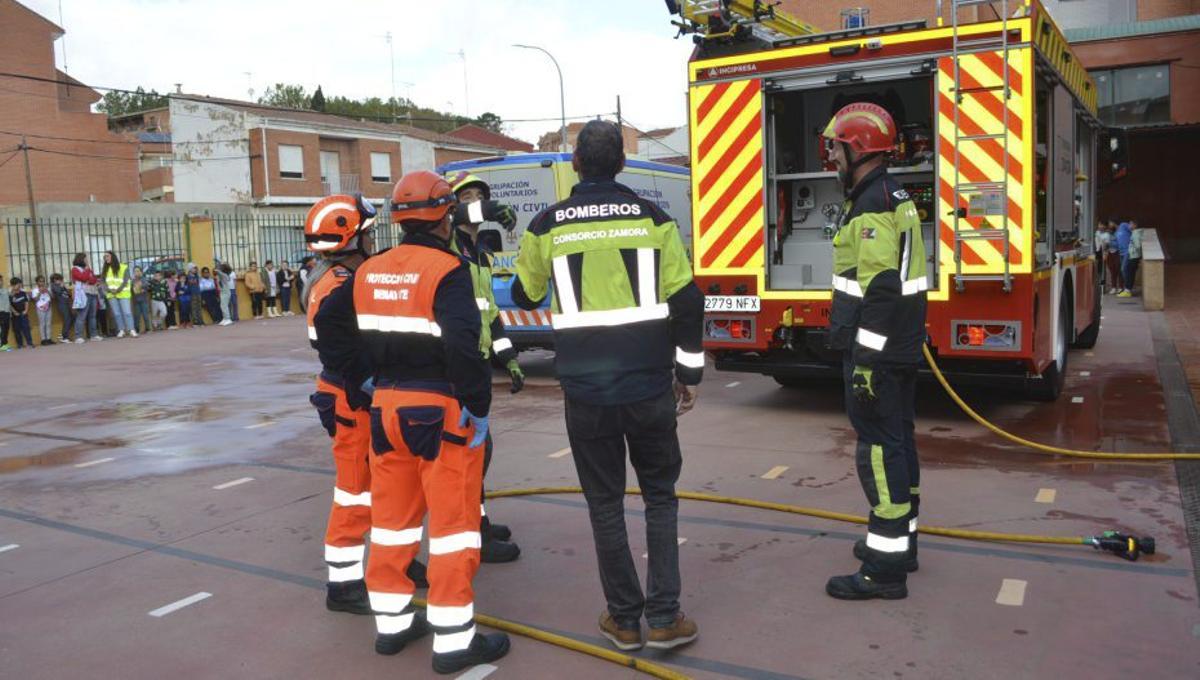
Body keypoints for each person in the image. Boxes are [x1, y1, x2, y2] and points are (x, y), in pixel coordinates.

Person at [512, 120, 704, 651]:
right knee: (661, 498)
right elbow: (687, 300)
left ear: (576, 163)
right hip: (648, 387)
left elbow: (525, 295)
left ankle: (624, 621)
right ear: (621, 163)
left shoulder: (547, 225)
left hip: (586, 393)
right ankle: (665, 618)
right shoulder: (653, 219)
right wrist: (688, 372)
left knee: (605, 504)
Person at [319, 171, 510, 671]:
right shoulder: (447, 270)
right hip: (443, 410)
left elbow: (329, 324)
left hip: (386, 410)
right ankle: (453, 643)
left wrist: (360, 377)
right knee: (452, 530)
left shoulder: (370, 269)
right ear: (445, 217)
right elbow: (464, 347)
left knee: (393, 524)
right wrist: (480, 407)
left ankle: (393, 625)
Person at [301, 193, 430, 623]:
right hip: (351, 396)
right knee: (355, 493)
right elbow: (342, 346)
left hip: (354, 392)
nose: (374, 241)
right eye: (369, 234)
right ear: (350, 239)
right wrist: (367, 380)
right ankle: (344, 584)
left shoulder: (331, 276)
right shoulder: (339, 282)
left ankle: (395, 562)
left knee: (384, 488)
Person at [822, 103, 927, 600]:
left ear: (857, 147)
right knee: (899, 444)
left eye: (836, 147)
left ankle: (884, 573)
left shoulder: (871, 206)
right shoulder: (892, 194)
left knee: (880, 454)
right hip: (900, 348)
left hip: (879, 357)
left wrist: (865, 360)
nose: (832, 156)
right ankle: (900, 546)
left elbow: (881, 288)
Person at [446, 170, 523, 563]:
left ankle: (479, 520)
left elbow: (489, 312)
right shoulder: (448, 247)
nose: (474, 202)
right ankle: (473, 532)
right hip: (453, 367)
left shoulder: (482, 255)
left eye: (480, 195)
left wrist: (508, 358)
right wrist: (489, 206)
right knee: (472, 451)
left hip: (477, 363)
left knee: (479, 452)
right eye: (468, 196)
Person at [102, 251, 137, 338]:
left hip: (123, 293)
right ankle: (121, 330)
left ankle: (131, 329)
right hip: (111, 294)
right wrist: (109, 289)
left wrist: (118, 290)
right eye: (104, 257)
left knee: (127, 312)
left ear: (113, 257)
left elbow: (126, 280)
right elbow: (103, 281)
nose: (106, 258)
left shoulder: (123, 267)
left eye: (107, 256)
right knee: (117, 314)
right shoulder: (105, 269)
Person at [71, 253, 100, 343]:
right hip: (84, 294)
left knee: (93, 316)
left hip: (93, 292)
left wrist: (88, 277)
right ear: (81, 259)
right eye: (85, 259)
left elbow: (93, 280)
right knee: (82, 315)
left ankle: (93, 335)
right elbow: (83, 278)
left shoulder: (87, 269)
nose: (87, 260)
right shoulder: (75, 269)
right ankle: (78, 336)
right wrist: (87, 272)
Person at [9, 277, 34, 349]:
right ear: (13, 285)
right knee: (17, 330)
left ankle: (30, 343)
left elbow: (26, 302)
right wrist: (14, 312)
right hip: (15, 315)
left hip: (23, 314)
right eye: (18, 284)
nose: (19, 285)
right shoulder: (10, 295)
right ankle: (20, 344)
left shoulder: (23, 293)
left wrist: (26, 310)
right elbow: (9, 305)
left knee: (26, 328)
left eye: (20, 284)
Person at [1120, 220, 1142, 298]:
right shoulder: (1135, 233)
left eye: (1131, 224)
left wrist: (1132, 250)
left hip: (1133, 256)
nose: (1129, 225)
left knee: (1127, 271)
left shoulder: (1135, 233)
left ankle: (1127, 290)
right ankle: (1128, 290)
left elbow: (1138, 246)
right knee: (1130, 272)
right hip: (1134, 255)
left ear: (1135, 225)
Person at [31, 275, 54, 346]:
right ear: (37, 282)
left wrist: (48, 291)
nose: (42, 283)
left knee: (48, 323)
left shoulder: (48, 289)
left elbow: (53, 297)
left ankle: (49, 338)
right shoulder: (35, 290)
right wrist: (40, 292)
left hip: (48, 307)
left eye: (43, 281)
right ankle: (43, 339)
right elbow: (35, 300)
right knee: (42, 324)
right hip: (40, 308)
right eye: (40, 281)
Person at [50, 273, 73, 342]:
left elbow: (69, 295)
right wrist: (62, 287)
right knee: (67, 319)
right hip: (62, 305)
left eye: (61, 279)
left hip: (67, 304)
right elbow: (58, 291)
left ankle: (63, 334)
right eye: (59, 279)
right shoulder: (53, 286)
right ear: (54, 280)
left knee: (71, 318)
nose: (61, 281)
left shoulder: (61, 285)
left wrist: (65, 288)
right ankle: (64, 336)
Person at [131, 267, 151, 335]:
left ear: (141, 272)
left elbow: (147, 286)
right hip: (136, 301)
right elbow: (131, 289)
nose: (136, 272)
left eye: (138, 271)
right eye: (135, 271)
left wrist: (142, 287)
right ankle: (136, 330)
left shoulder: (143, 279)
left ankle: (148, 329)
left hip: (144, 300)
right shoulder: (133, 280)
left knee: (145, 315)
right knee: (137, 316)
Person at [0, 272, 10, 351]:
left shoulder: (5, 289)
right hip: (1, 311)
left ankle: (5, 343)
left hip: (7, 311)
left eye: (1, 280)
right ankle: (2, 344)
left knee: (6, 327)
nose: (1, 282)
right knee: (3, 328)